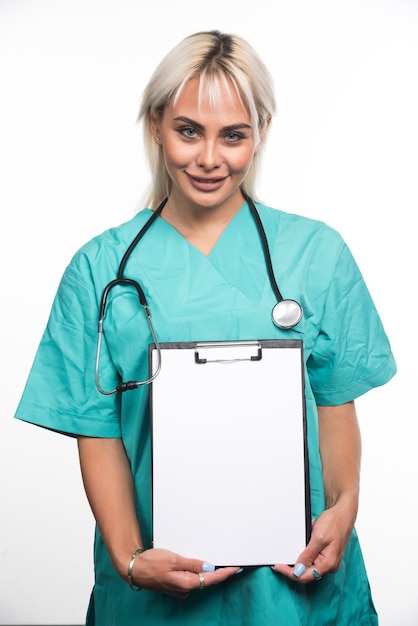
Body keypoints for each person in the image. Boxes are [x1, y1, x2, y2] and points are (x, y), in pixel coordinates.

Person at [15, 30, 396, 625]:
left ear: (260, 133)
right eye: (188, 130)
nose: (210, 158)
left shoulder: (316, 254)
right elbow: (95, 429)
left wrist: (343, 509)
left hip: (296, 579)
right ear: (155, 126)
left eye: (234, 135)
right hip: (158, 583)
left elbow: (334, 403)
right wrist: (129, 558)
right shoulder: (100, 269)